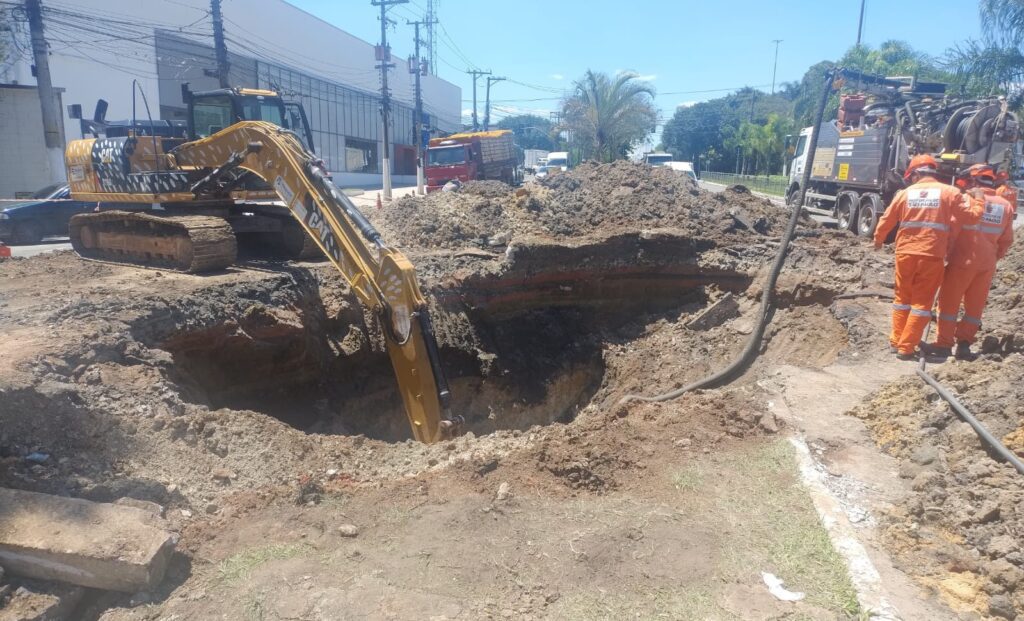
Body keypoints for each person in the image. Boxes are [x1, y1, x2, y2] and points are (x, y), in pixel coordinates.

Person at [874, 154, 985, 361]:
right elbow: (971, 216)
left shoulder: (904, 193)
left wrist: (878, 240)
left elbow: (887, 219)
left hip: (905, 253)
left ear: (915, 174)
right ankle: (906, 348)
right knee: (921, 303)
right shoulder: (949, 192)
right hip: (931, 253)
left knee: (901, 300)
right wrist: (979, 199)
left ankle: (896, 341)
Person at [926, 164, 1015, 360]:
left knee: (949, 304)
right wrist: (993, 256)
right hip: (986, 265)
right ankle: (964, 344)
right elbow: (1006, 240)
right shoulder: (1005, 205)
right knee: (975, 306)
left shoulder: (966, 200)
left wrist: (944, 255)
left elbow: (951, 230)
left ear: (974, 181)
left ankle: (944, 344)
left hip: (961, 261)